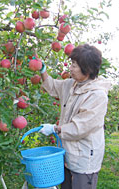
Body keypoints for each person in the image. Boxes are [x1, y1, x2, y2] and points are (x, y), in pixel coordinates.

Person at [38, 44, 112, 189]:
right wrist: (43, 70)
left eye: (74, 65)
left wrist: (54, 129)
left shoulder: (97, 95)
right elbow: (53, 86)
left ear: (87, 69)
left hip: (84, 157)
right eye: (71, 64)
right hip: (67, 153)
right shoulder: (72, 84)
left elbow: (79, 127)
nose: (70, 68)